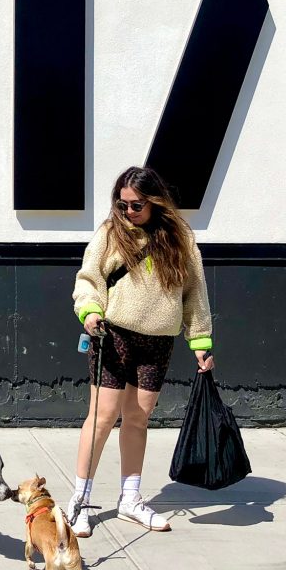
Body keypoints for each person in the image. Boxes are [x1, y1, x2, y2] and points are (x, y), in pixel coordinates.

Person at [69, 166, 214, 536]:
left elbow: (194, 292)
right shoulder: (110, 233)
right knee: (102, 417)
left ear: (155, 202)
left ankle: (130, 499)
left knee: (138, 418)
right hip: (112, 335)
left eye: (136, 205)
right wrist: (90, 311)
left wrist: (200, 341)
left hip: (157, 341)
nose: (128, 211)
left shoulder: (181, 237)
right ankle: (80, 500)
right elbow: (89, 279)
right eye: (123, 204)